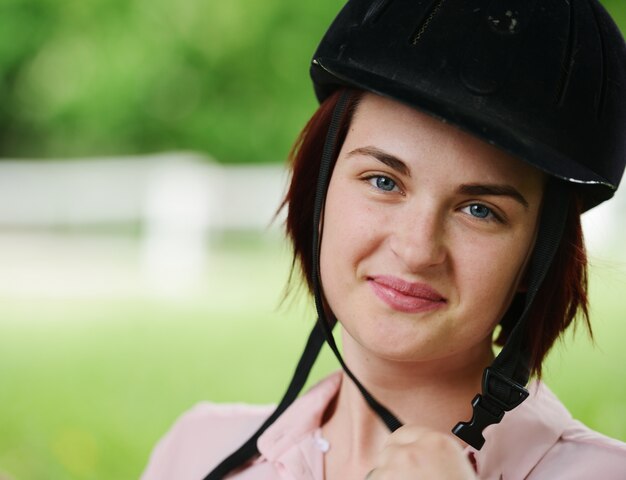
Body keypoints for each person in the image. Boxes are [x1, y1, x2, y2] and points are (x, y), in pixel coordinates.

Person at [142, 1, 626, 478]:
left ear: (535, 260)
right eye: (383, 181)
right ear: (320, 192)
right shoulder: (196, 452)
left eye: (480, 210)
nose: (416, 251)